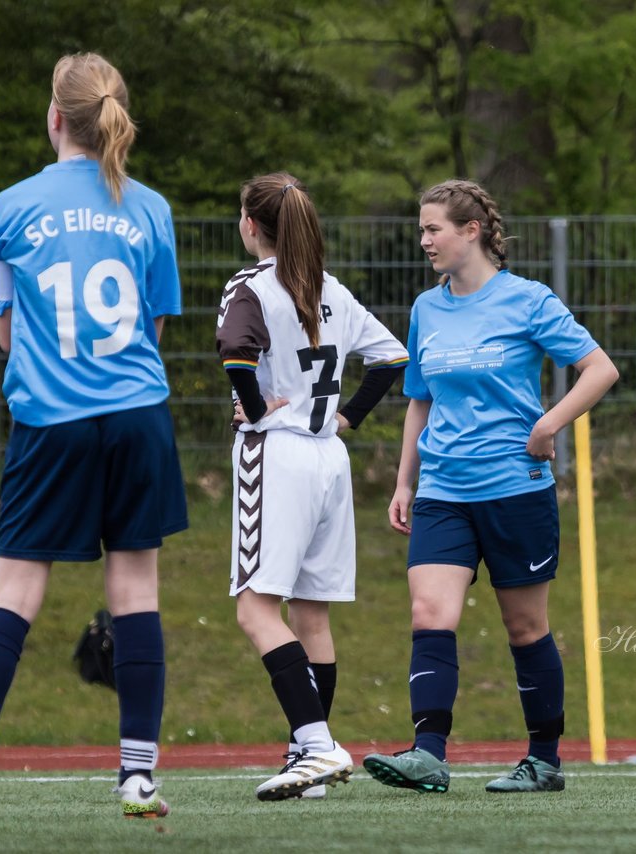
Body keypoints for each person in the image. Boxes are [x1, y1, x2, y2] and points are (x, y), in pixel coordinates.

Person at [0, 51, 188, 821]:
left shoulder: (10, 205)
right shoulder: (151, 208)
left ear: (54, 118)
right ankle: (138, 778)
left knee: (14, 589)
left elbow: (9, 337)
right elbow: (156, 325)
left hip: (51, 420)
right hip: (139, 416)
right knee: (136, 590)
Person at [362, 179, 619, 794]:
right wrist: (405, 481)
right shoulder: (427, 308)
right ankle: (428, 754)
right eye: (421, 230)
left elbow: (599, 369)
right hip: (443, 490)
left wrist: (549, 423)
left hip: (515, 489)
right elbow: (418, 402)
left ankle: (543, 760)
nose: (423, 241)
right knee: (430, 612)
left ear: (470, 231)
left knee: (526, 628)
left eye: (433, 229)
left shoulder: (527, 301)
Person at [216, 172, 408, 801]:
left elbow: (236, 354)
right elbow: (391, 358)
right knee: (312, 615)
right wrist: (347, 416)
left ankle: (317, 745)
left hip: (279, 456)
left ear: (252, 225)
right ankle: (310, 760)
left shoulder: (251, 286)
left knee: (255, 607)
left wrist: (259, 409)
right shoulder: (332, 291)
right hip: (330, 460)